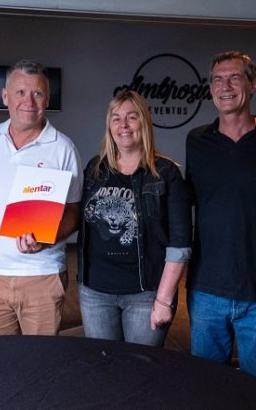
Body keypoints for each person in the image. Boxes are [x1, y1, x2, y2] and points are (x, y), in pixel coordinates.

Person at [185, 51, 256, 384]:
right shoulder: (196, 140)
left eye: (235, 78)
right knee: (207, 391)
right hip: (206, 290)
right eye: (218, 80)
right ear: (210, 89)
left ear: (253, 84)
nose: (226, 86)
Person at [0, 59, 82, 336]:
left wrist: (47, 239)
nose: (28, 101)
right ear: (5, 96)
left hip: (42, 276)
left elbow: (73, 212)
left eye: (37, 93)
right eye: (20, 92)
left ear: (47, 98)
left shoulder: (63, 148)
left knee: (39, 360)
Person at [77, 90, 191, 347]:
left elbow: (180, 243)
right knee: (103, 365)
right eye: (116, 118)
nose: (124, 125)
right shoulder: (95, 169)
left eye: (131, 117)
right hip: (95, 292)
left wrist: (164, 299)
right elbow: (78, 217)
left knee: (140, 367)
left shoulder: (165, 173)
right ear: (109, 125)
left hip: (146, 294)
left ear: (144, 122)